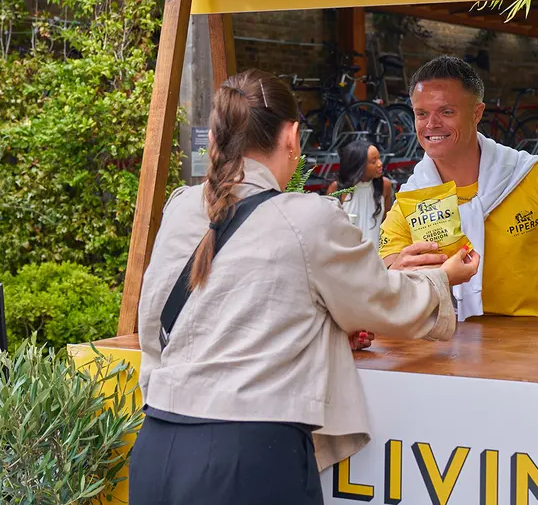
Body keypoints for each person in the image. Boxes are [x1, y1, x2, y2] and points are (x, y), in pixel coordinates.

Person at [132, 69, 478, 505]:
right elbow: (385, 302)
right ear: (292, 136)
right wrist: (441, 277)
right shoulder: (309, 218)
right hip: (247, 457)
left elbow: (153, 327)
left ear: (218, 137)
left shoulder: (181, 206)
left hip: (156, 444)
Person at [379, 56, 538, 328]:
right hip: (446, 342)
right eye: (421, 113)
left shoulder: (531, 175)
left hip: (534, 343)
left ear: (477, 113)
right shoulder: (415, 193)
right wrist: (396, 270)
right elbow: (387, 266)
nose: (431, 124)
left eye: (446, 112)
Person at [326, 140, 392, 251]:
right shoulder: (337, 189)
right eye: (373, 161)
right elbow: (329, 229)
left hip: (375, 257)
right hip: (347, 258)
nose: (380, 163)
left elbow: (387, 223)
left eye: (379, 158)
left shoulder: (384, 186)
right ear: (358, 166)